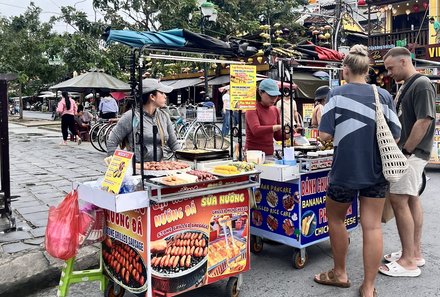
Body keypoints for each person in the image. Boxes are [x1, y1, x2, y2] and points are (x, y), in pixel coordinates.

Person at [313, 45, 401, 297]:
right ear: (367, 70)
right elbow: (395, 135)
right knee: (372, 226)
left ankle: (340, 274)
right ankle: (369, 288)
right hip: (375, 171)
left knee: (336, 219)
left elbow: (325, 135)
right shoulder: (382, 95)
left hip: (344, 171)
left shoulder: (335, 95)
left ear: (345, 70)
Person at [379, 47, 436, 278]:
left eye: (391, 68)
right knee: (411, 200)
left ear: (404, 61)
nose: (389, 73)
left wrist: (405, 151)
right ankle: (414, 252)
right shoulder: (407, 85)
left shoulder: (421, 84)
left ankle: (408, 262)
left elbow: (424, 121)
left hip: (412, 154)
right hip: (411, 153)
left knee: (399, 199)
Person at [106, 79, 180, 162]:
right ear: (152, 97)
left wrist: (182, 161)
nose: (165, 96)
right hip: (137, 168)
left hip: (160, 167)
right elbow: (112, 141)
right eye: (162, 93)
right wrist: (114, 165)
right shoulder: (131, 116)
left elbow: (174, 143)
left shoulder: (164, 116)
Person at [245, 78, 284, 157]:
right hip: (253, 154)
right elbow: (256, 130)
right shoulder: (252, 108)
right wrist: (276, 127)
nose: (274, 99)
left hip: (269, 153)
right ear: (260, 93)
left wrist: (288, 133)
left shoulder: (275, 110)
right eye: (270, 96)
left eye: (276, 96)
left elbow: (277, 136)